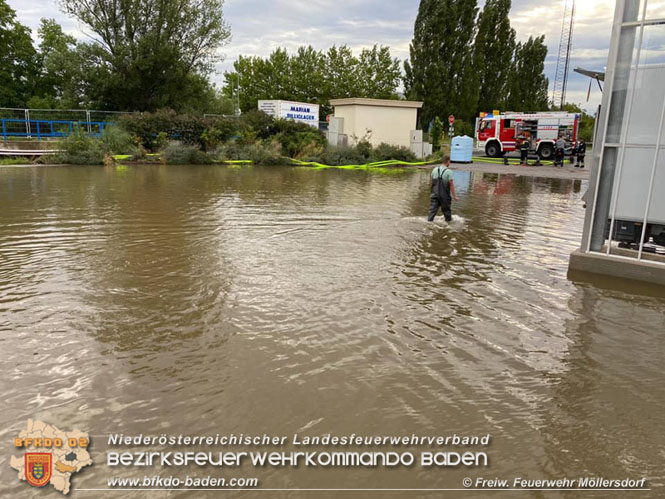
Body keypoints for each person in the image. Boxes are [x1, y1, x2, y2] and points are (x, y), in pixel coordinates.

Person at [428, 155, 458, 222]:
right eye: (449, 161)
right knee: (447, 213)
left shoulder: (434, 169)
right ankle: (448, 226)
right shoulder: (449, 172)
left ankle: (429, 223)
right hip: (444, 197)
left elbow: (430, 183)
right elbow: (451, 186)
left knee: (432, 212)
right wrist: (455, 196)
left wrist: (432, 193)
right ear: (448, 161)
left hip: (434, 195)